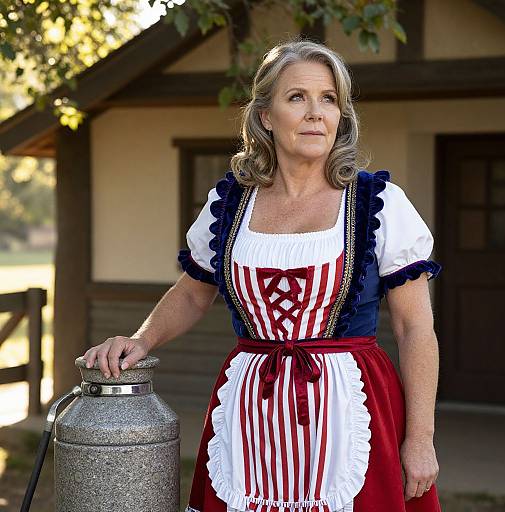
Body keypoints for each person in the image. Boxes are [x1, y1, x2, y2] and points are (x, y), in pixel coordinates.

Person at [83, 38, 443, 512]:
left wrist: (420, 438)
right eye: (297, 97)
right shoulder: (230, 204)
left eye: (329, 99)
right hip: (252, 407)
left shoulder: (378, 204)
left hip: (352, 410)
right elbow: (193, 294)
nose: (316, 113)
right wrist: (141, 340)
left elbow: (414, 326)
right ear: (266, 116)